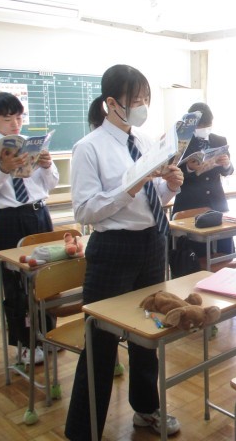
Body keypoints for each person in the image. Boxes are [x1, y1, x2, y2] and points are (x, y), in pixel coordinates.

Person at [65, 65, 184, 439]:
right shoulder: (89, 148)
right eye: (135, 100)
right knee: (100, 341)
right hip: (113, 250)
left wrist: (171, 186)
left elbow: (154, 199)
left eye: (146, 99)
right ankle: (83, 430)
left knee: (147, 332)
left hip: (152, 242)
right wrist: (129, 187)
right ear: (111, 103)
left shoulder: (146, 142)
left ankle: (146, 409)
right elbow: (85, 211)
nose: (142, 106)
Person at [0, 92, 59, 366]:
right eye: (8, 118)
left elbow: (50, 184)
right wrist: (2, 169)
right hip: (10, 218)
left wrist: (47, 166)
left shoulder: (31, 145)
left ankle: (48, 334)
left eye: (19, 117)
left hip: (39, 213)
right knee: (15, 284)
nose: (15, 124)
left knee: (47, 277)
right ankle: (24, 344)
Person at [172, 102, 234, 256]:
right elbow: (172, 172)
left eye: (208, 125)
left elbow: (228, 171)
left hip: (216, 202)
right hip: (190, 202)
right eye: (201, 126)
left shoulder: (219, 140)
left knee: (222, 252)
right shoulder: (181, 142)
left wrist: (226, 164)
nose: (204, 129)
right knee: (193, 253)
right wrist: (189, 168)